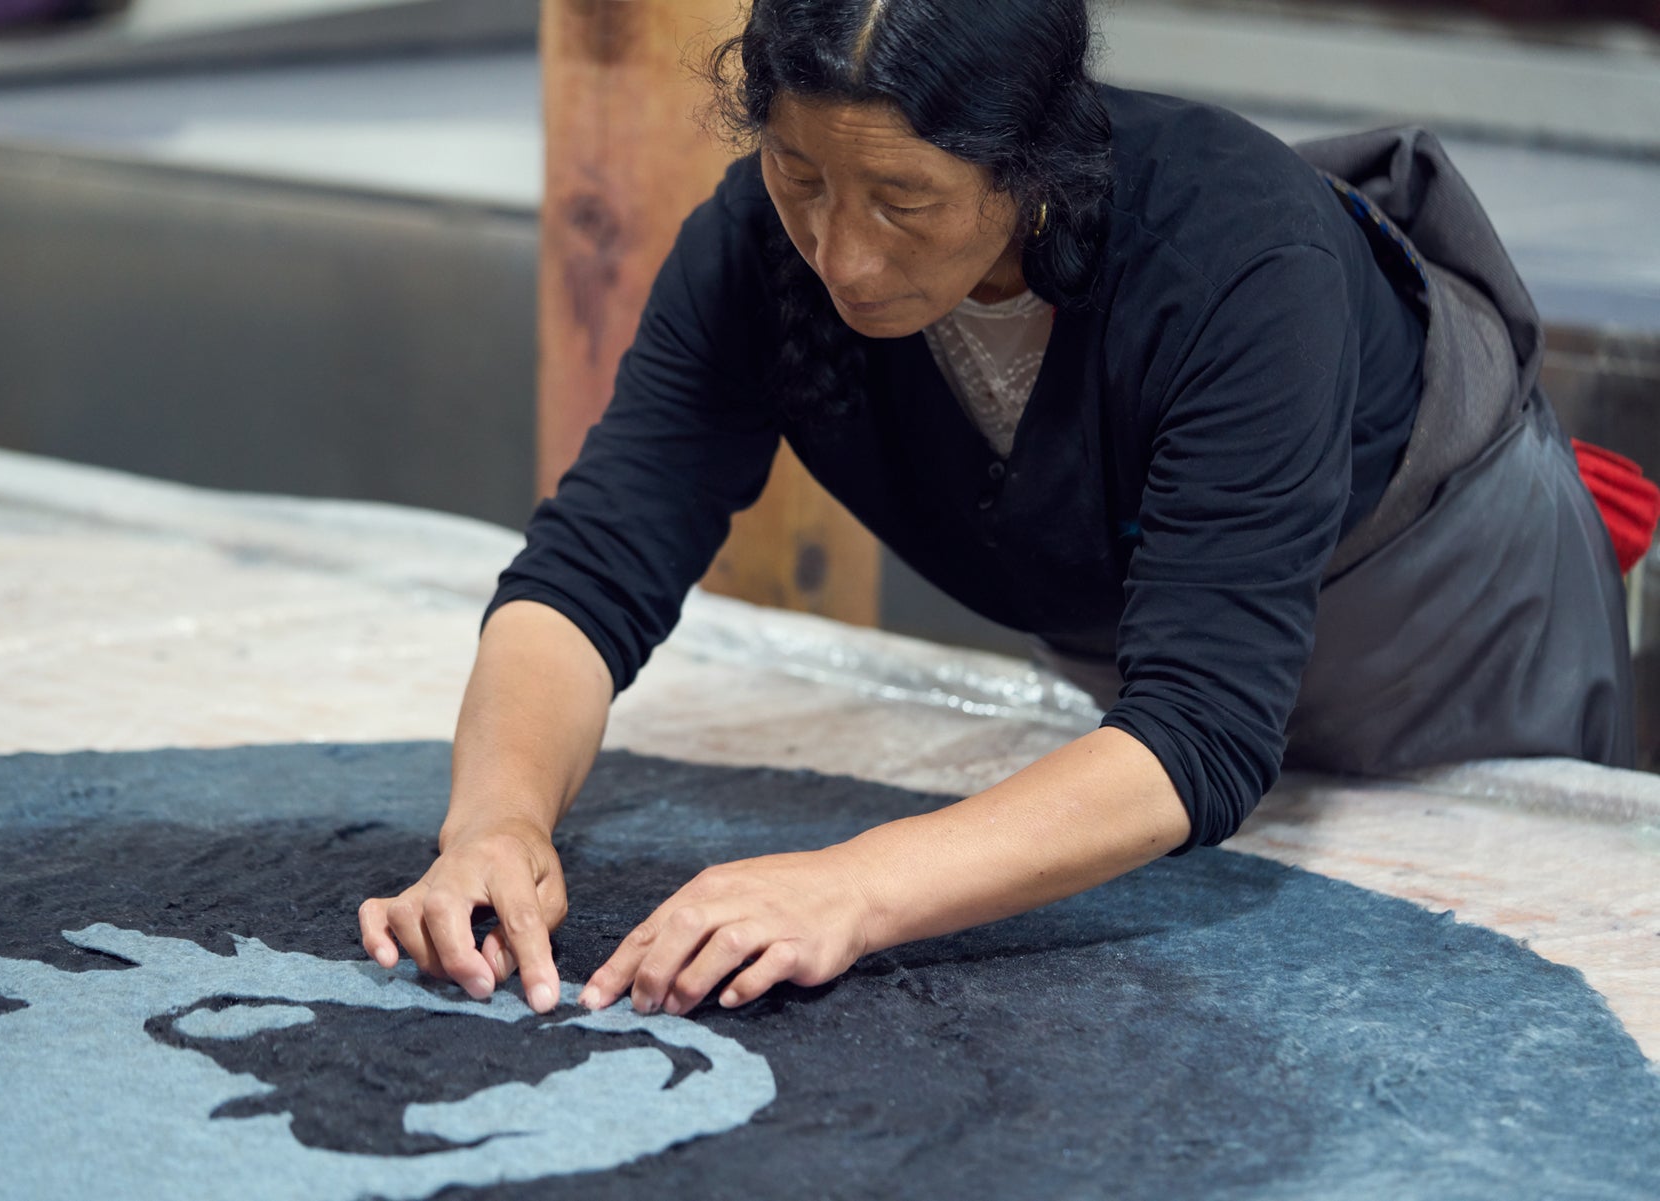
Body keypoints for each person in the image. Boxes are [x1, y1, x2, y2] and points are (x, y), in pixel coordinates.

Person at [358, 0, 1634, 1019]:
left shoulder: (1242, 256)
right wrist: (494, 822)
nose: (842, 255)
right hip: (1167, 678)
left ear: (1032, 169)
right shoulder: (758, 250)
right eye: (801, 174)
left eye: (902, 202)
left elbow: (1201, 728)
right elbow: (590, 571)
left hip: (1450, 614)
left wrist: (849, 888)